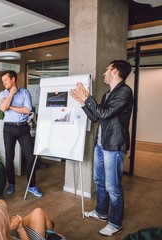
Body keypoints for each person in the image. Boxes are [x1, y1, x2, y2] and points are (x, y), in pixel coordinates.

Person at [70, 60, 133, 237]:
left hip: (114, 146)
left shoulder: (125, 92)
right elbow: (97, 117)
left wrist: (87, 99)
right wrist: (83, 103)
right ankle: (101, 212)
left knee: (112, 186)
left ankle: (115, 223)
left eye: (107, 69)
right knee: (99, 181)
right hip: (101, 144)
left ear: (115, 71)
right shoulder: (107, 95)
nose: (104, 72)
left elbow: (104, 113)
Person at [0, 70, 42, 197]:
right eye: (3, 81)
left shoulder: (25, 92)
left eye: (5, 80)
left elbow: (27, 110)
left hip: (23, 129)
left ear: (13, 79)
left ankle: (31, 186)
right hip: (8, 129)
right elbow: (2, 108)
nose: (4, 83)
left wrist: (10, 106)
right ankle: (11, 184)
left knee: (31, 157)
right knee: (9, 158)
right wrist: (11, 93)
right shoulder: (2, 93)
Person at [0, 198, 64, 240]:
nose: (9, 215)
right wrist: (20, 228)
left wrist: (8, 227)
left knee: (38, 211)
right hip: (19, 235)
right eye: (6, 215)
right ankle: (50, 233)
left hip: (6, 231)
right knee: (40, 214)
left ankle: (49, 229)